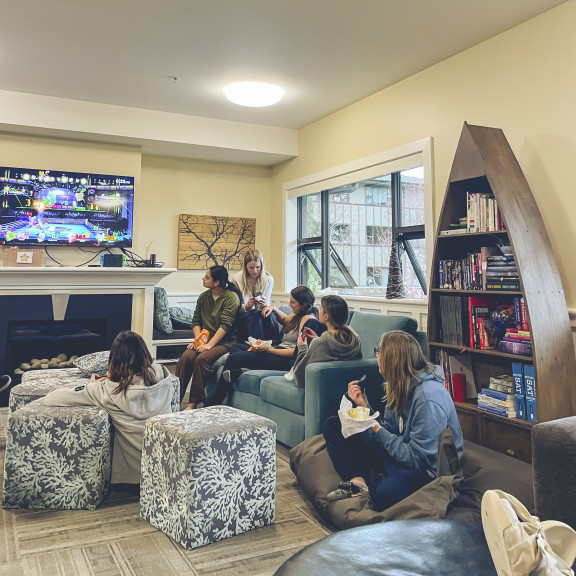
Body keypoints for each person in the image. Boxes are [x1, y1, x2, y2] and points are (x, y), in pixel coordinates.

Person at [323, 330, 464, 512]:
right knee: (333, 425)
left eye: (379, 351)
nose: (377, 356)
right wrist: (365, 409)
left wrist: (374, 426)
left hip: (427, 470)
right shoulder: (397, 383)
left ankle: (376, 476)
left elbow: (417, 459)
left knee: (384, 496)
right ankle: (358, 481)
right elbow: (389, 429)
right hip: (400, 453)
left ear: (391, 359)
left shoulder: (428, 399)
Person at [39, 330, 174, 485]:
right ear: (144, 353)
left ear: (113, 360)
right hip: (170, 466)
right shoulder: (163, 376)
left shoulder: (104, 391)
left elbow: (51, 398)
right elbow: (145, 374)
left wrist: (94, 384)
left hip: (140, 478)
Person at [205, 285, 323, 405]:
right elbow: (285, 319)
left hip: (285, 361)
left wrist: (268, 350)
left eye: (292, 302)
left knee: (234, 358)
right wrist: (272, 307)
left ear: (303, 305)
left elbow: (297, 352)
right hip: (277, 351)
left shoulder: (309, 321)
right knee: (237, 347)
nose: (289, 305)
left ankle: (212, 401)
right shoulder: (298, 314)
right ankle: (243, 370)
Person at [175, 265, 241, 409]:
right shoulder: (204, 297)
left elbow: (226, 325)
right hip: (205, 340)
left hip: (225, 342)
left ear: (216, 282)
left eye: (207, 277)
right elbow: (196, 321)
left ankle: (193, 402)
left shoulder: (231, 297)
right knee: (186, 357)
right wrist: (199, 342)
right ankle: (174, 400)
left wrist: (209, 345)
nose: (203, 279)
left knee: (202, 359)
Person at [288, 295, 362, 388]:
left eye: (320, 308)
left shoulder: (320, 343)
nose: (318, 311)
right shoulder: (355, 339)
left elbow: (300, 378)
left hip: (319, 388)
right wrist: (318, 339)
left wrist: (302, 349)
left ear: (326, 316)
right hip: (344, 387)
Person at [232, 249, 275, 342]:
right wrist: (247, 306)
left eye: (258, 267)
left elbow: (267, 304)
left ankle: (272, 345)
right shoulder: (236, 279)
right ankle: (258, 346)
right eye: (251, 268)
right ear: (245, 266)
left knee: (270, 315)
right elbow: (235, 308)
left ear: (262, 266)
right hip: (243, 316)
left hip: (260, 315)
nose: (255, 271)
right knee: (254, 314)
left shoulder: (268, 278)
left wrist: (265, 305)